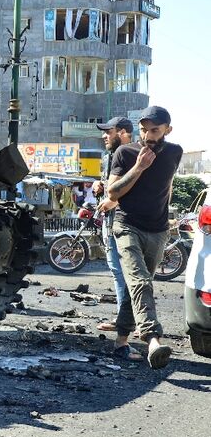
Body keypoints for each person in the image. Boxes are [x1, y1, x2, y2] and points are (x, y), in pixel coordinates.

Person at [107, 106, 182, 369]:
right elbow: (113, 193)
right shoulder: (125, 153)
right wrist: (139, 168)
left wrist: (167, 218)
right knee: (140, 281)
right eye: (144, 130)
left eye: (155, 130)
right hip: (127, 226)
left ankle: (120, 343)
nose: (148, 136)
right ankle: (152, 340)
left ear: (167, 130)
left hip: (158, 230)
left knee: (137, 287)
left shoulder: (175, 152)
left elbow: (167, 185)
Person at [91, 116, 136, 359]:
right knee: (118, 273)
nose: (104, 136)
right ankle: (123, 320)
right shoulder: (111, 156)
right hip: (111, 222)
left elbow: (135, 188)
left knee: (129, 276)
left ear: (123, 132)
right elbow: (111, 185)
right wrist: (99, 186)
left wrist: (113, 200)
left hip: (126, 223)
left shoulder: (134, 154)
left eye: (109, 131)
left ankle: (129, 325)